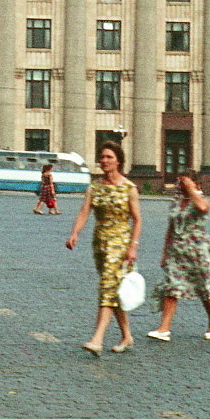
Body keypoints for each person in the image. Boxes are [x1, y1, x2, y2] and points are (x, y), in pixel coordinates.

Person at [66, 141, 142, 356]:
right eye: (102, 157)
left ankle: (97, 338)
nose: (104, 161)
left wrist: (133, 246)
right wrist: (75, 233)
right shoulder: (94, 187)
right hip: (100, 243)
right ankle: (127, 336)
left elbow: (137, 220)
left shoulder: (129, 188)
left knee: (107, 288)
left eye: (109, 157)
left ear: (118, 160)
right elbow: (84, 212)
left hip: (121, 243)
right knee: (114, 290)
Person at [147, 170, 210, 342]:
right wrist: (165, 253)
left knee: (205, 288)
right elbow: (171, 228)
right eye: (180, 183)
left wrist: (192, 190)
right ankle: (164, 329)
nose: (180, 186)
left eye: (184, 183)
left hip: (199, 251)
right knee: (171, 287)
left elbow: (203, 208)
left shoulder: (201, 200)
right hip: (177, 250)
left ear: (196, 184)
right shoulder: (175, 202)